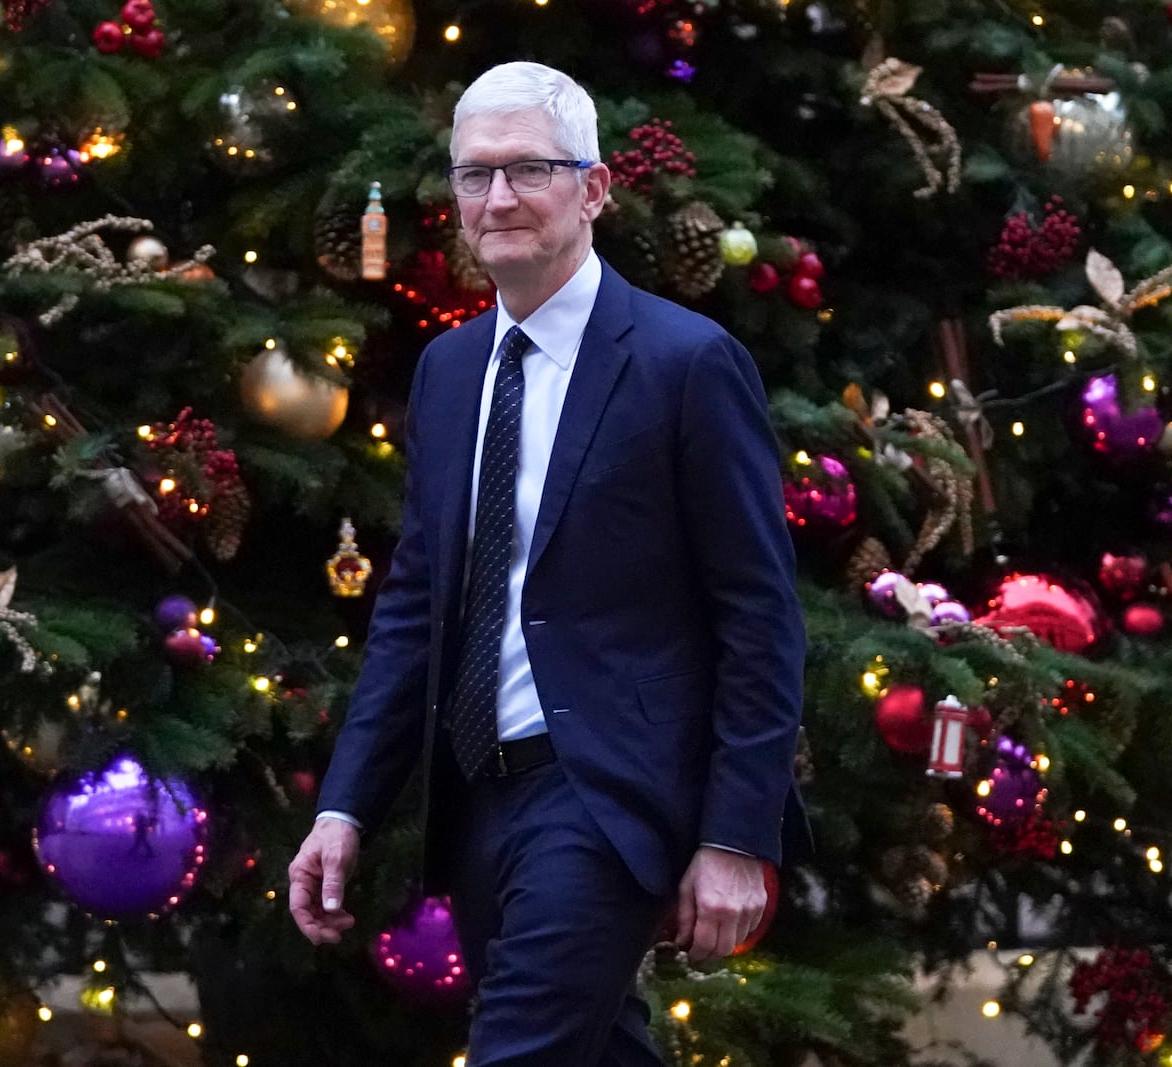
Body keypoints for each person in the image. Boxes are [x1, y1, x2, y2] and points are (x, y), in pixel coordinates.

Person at [289, 60, 807, 1066]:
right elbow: (415, 607)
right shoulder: (446, 373)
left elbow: (758, 611)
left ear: (596, 189)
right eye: (474, 176)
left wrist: (738, 834)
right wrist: (344, 802)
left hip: (609, 797)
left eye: (528, 169)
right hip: (479, 795)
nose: (497, 199)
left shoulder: (683, 363)